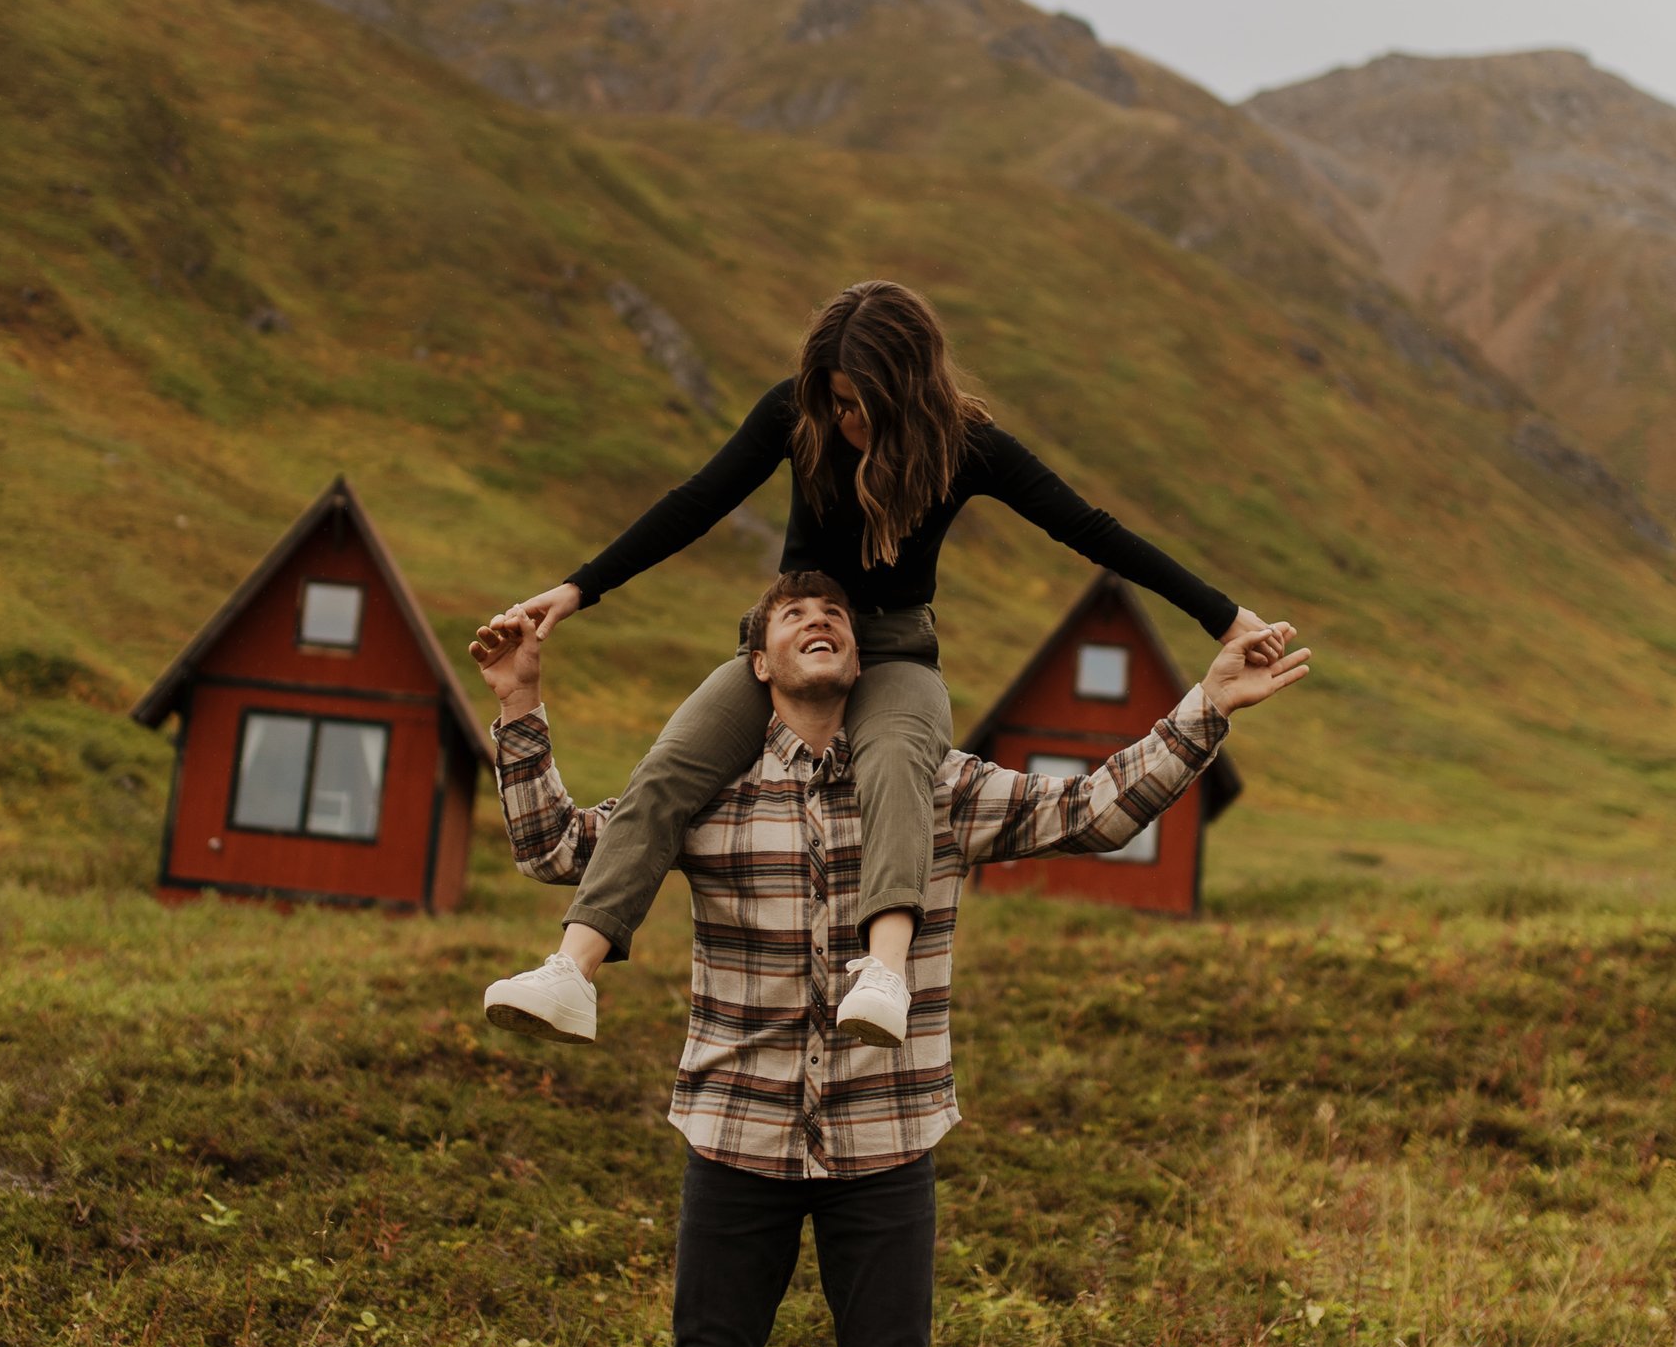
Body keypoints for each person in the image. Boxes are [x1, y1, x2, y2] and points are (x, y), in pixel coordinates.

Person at [468, 568, 1309, 1347]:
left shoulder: (935, 788)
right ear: (757, 663)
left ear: (864, 656)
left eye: (837, 615)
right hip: (736, 1140)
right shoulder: (705, 790)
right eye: (788, 616)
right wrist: (519, 701)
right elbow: (560, 849)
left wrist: (1206, 702)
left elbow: (1096, 809)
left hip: (884, 1145)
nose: (819, 620)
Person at [478, 279, 1283, 1046]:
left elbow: (1091, 526)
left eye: (859, 404)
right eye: (834, 399)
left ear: (908, 397)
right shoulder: (799, 416)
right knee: (669, 766)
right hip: (783, 642)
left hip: (895, 649)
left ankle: (885, 973)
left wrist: (1223, 616)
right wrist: (582, 587)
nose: (843, 417)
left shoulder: (967, 447)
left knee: (898, 758)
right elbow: (698, 498)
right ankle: (572, 974)